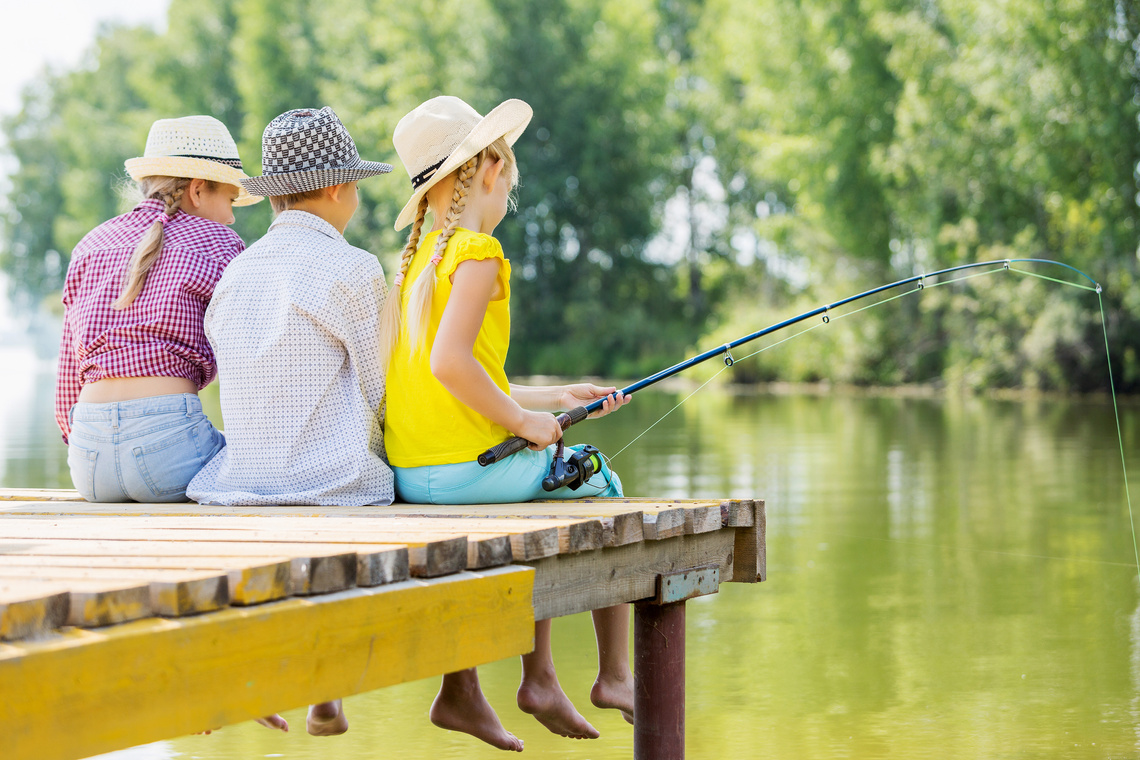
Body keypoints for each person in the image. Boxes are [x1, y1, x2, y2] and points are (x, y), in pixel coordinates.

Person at [382, 95, 634, 752]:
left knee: (548, 480)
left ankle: (528, 680)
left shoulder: (417, 264)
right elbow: (450, 364)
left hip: (415, 473)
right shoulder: (478, 253)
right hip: (466, 473)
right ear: (492, 168)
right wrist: (524, 420)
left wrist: (558, 396)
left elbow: (459, 381)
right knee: (598, 479)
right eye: (509, 178)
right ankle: (610, 675)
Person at [186, 106, 395, 734]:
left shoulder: (236, 272)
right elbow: (382, 391)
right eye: (354, 184)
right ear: (337, 188)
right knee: (378, 482)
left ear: (275, 195)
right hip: (333, 482)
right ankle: (326, 684)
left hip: (241, 480)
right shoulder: (354, 267)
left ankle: (277, 676)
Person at [56, 115, 260, 504]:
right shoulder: (221, 242)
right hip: (170, 454)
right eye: (230, 200)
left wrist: (86, 444)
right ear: (197, 189)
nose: (232, 216)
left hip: (88, 463)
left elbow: (68, 377)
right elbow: (248, 362)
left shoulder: (89, 244)